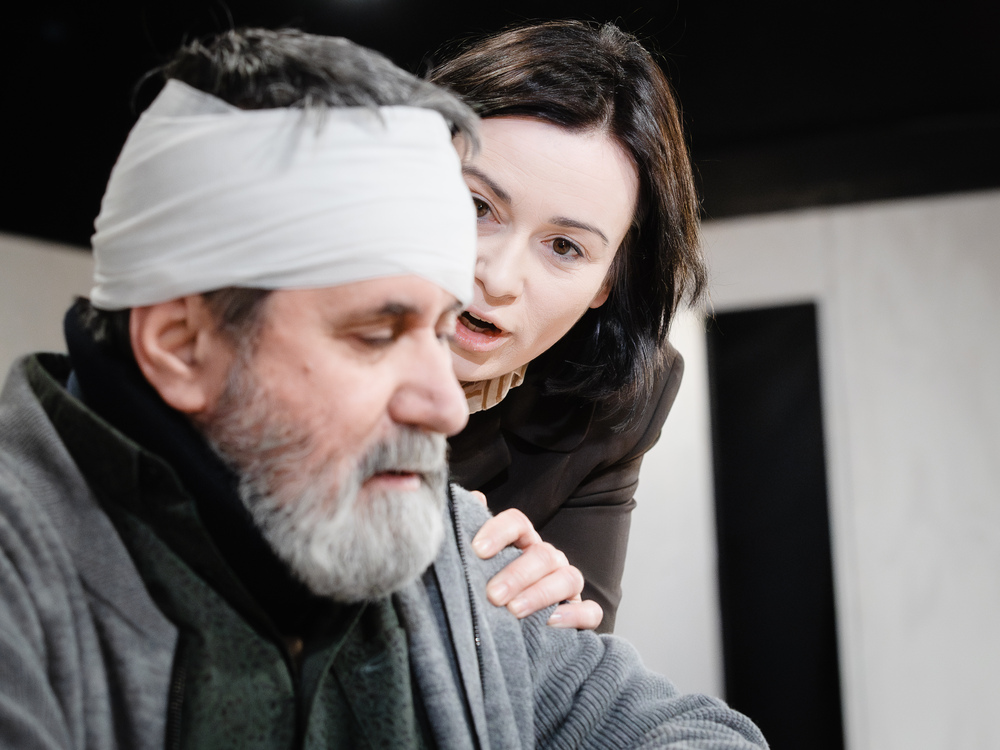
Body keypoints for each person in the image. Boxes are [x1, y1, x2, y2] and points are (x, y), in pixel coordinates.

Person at [0, 28, 768, 749]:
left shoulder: (450, 542)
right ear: (180, 343)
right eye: (375, 333)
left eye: (437, 329)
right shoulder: (32, 574)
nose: (446, 407)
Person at [429, 20, 705, 632]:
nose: (499, 277)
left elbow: (578, 664)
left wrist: (547, 602)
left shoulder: (619, 402)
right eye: (477, 206)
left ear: (608, 281)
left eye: (564, 247)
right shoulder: (274, 309)